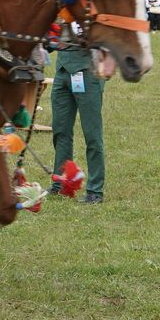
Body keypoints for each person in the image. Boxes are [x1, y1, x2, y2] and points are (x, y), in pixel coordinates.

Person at [50, 32, 106, 204]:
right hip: (62, 72)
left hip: (88, 72)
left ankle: (94, 190)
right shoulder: (62, 8)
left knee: (92, 135)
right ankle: (61, 183)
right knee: (60, 131)